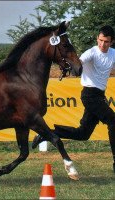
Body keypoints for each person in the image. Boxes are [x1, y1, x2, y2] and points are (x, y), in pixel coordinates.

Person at [32, 25, 115, 172]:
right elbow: (78, 62)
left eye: (106, 42)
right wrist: (70, 66)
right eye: (101, 40)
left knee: (83, 134)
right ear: (97, 39)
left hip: (99, 96)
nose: (102, 44)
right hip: (89, 95)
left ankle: (48, 134)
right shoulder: (91, 53)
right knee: (113, 120)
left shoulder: (113, 54)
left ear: (112, 42)